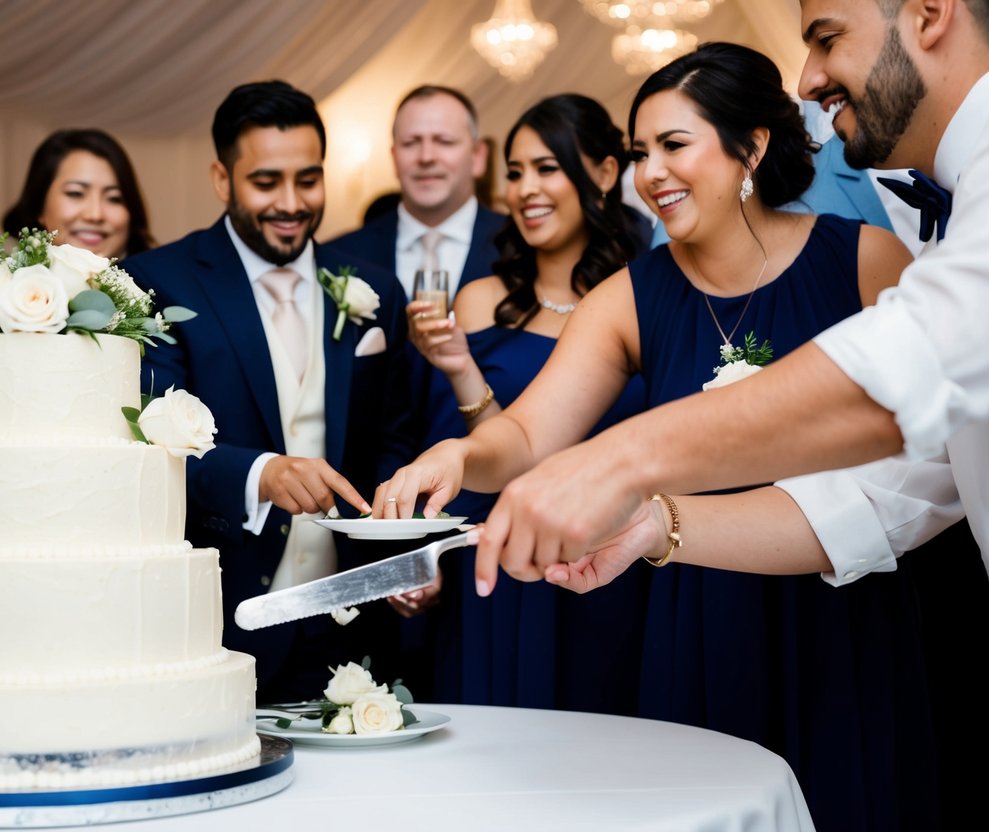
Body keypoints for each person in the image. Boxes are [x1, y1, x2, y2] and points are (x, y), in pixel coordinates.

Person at [376, 42, 943, 830]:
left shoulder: (861, 260)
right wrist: (461, 454)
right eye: (641, 153)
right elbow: (533, 432)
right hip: (695, 606)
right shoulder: (631, 295)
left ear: (750, 146)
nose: (650, 174)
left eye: (673, 146)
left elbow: (929, 444)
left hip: (843, 608)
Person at [467, 0, 989, 595]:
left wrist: (618, 461)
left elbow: (894, 384)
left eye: (827, 37)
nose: (806, 80)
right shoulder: (637, 293)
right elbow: (898, 486)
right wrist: (657, 522)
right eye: (643, 153)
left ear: (930, 12)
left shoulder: (871, 252)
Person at [120, 80, 415, 704]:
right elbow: (151, 441)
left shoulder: (376, 291)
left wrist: (402, 551)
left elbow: (393, 437)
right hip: (222, 619)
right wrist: (261, 475)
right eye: (266, 182)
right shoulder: (157, 282)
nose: (291, 202)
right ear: (222, 179)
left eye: (308, 180)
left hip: (353, 625)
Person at [397, 94, 649, 709]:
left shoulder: (649, 294)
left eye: (547, 167)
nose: (527, 188)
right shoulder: (482, 300)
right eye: (514, 172)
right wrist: (457, 365)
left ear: (605, 174)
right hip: (504, 565)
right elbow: (484, 449)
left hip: (619, 569)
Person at [327, 85, 506, 302]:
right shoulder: (342, 255)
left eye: (444, 141)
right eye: (410, 143)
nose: (426, 157)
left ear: (478, 156)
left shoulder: (518, 246)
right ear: (394, 157)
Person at [2, 128, 153, 260]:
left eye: (114, 198)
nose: (95, 215)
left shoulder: (160, 291)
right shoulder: (1, 289)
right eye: (76, 193)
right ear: (39, 206)